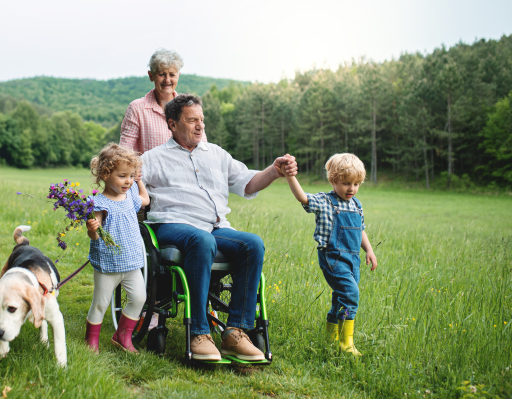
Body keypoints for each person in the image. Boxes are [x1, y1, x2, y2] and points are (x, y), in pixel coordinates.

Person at [141, 93, 298, 361]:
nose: (200, 125)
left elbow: (247, 182)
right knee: (202, 240)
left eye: (201, 119)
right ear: (172, 124)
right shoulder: (153, 158)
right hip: (172, 227)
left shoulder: (216, 154)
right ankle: (199, 332)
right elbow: (126, 182)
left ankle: (235, 332)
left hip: (214, 227)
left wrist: (273, 171)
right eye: (192, 120)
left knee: (252, 244)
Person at [282, 153, 378, 357]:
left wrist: (368, 250)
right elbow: (303, 198)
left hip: (353, 259)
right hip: (333, 258)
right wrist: (290, 176)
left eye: (356, 183)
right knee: (351, 294)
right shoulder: (325, 201)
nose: (351, 188)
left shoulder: (356, 205)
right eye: (346, 183)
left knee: (340, 297)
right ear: (333, 180)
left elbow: (360, 229)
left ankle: (330, 337)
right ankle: (346, 343)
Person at [84, 143, 150, 353]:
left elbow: (145, 201)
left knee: (139, 298)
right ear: (105, 174)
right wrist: (92, 228)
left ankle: (122, 336)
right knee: (101, 304)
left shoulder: (130, 196)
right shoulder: (99, 203)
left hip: (132, 262)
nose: (127, 181)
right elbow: (95, 236)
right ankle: (91, 343)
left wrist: (139, 183)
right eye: (123, 176)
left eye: (131, 176)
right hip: (108, 264)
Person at [120, 48, 207, 154]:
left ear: (178, 76)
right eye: (161, 74)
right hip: (149, 171)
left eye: (172, 74)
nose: (167, 80)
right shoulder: (136, 109)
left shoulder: (190, 109)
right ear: (151, 76)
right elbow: (124, 154)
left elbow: (202, 149)